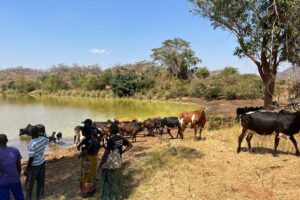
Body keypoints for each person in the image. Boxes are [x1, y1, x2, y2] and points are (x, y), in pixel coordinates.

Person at [98, 122, 132, 200]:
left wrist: (100, 166)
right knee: (117, 179)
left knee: (108, 180)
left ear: (110, 131)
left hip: (110, 164)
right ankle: (118, 196)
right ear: (117, 130)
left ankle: (108, 197)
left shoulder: (110, 140)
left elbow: (106, 155)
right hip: (118, 161)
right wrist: (122, 152)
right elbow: (130, 145)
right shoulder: (121, 138)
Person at [77, 119, 101, 197]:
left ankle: (87, 191)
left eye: (82, 132)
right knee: (92, 173)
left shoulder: (89, 139)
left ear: (85, 132)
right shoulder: (92, 136)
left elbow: (88, 148)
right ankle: (92, 188)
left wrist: (81, 155)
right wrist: (79, 145)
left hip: (89, 157)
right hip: (93, 156)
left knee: (87, 173)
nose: (82, 133)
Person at [24, 127, 49, 200]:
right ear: (39, 132)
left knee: (29, 183)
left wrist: (27, 169)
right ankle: (39, 197)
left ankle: (28, 197)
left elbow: (31, 157)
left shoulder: (32, 143)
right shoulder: (43, 139)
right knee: (40, 181)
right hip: (42, 162)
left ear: (30, 134)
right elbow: (47, 140)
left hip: (34, 166)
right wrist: (43, 134)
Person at [0, 134, 25, 200]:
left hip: (2, 181)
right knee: (19, 197)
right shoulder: (15, 150)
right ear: (7, 140)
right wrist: (18, 175)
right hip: (15, 178)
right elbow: (19, 166)